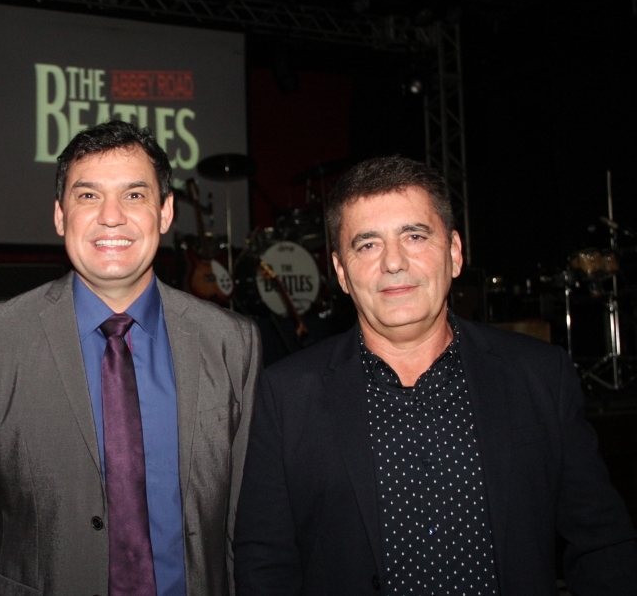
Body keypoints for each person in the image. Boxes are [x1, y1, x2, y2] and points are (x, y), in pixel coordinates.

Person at [234, 155, 637, 595]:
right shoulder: (286, 396)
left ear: (455, 253)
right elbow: (265, 565)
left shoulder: (540, 376)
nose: (393, 262)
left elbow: (603, 543)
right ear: (342, 273)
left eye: (415, 236)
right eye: (367, 245)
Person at [0, 119, 261, 596]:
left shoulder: (231, 342)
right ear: (60, 216)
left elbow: (251, 526)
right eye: (88, 195)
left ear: (165, 212)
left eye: (134, 195)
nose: (111, 217)